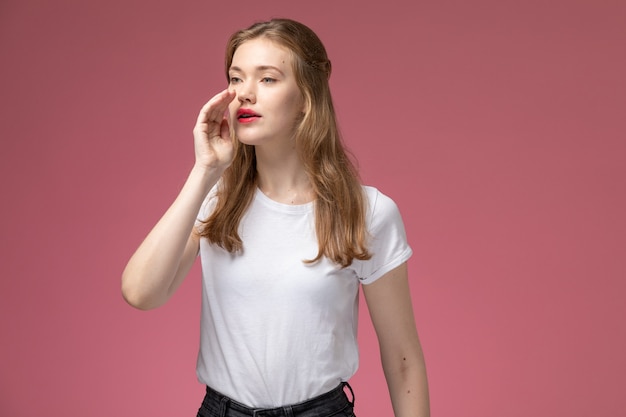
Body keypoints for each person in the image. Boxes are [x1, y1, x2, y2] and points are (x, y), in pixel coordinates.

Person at [122, 18, 429, 417]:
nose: (244, 94)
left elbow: (404, 360)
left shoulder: (367, 212)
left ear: (307, 95)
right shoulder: (214, 198)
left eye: (267, 79)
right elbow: (140, 293)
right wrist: (205, 170)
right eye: (236, 78)